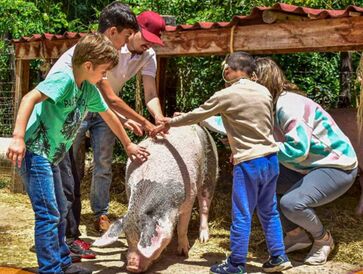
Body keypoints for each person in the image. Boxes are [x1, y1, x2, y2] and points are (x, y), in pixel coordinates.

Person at [6, 33, 149, 274]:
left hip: (53, 156)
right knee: (49, 214)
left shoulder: (89, 91)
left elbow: (110, 116)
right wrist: (18, 137)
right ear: (88, 65)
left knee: (61, 210)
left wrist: (128, 145)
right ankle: (50, 269)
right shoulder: (64, 80)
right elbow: (30, 97)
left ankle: (62, 262)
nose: (104, 77)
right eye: (102, 72)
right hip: (35, 152)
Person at [153, 52, 292, 274]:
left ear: (229, 70)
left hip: (249, 162)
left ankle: (236, 264)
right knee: (269, 210)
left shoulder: (226, 94)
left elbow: (197, 115)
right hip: (271, 159)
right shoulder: (264, 92)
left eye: (225, 69)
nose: (224, 72)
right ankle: (278, 256)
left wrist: (171, 122)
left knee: (242, 213)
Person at [46, 1, 154, 258]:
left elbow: (104, 106)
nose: (126, 42)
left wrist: (125, 128)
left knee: (69, 184)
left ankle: (67, 241)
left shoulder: (92, 53)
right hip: (54, 134)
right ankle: (59, 249)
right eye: (127, 36)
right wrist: (143, 126)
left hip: (63, 131)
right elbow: (110, 100)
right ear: (113, 31)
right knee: (62, 191)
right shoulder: (92, 56)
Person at [254, 57, 358, 265]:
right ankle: (296, 236)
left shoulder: (288, 105)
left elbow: (298, 151)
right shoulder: (267, 105)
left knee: (291, 203)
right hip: (306, 167)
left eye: (249, 82)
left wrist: (261, 148)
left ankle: (323, 239)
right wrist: (190, 118)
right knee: (259, 185)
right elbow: (226, 120)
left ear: (261, 81)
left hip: (336, 165)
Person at [71, 10, 166, 233]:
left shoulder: (148, 55)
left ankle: (100, 213)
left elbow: (150, 93)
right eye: (146, 39)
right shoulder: (110, 45)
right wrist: (139, 121)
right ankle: (69, 216)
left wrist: (158, 119)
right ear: (133, 31)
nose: (149, 46)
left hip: (108, 111)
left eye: (154, 42)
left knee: (103, 163)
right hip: (86, 105)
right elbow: (108, 95)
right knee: (73, 164)